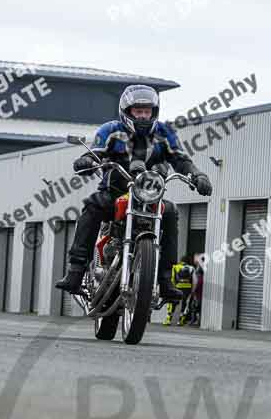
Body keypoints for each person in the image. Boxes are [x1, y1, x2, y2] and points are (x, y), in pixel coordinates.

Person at [55, 85, 213, 301]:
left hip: (149, 195)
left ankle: (165, 280)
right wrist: (88, 160)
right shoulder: (110, 130)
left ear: (154, 112)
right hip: (114, 192)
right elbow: (98, 152)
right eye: (138, 111)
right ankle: (76, 271)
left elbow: (180, 159)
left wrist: (197, 175)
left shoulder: (164, 133)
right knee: (92, 205)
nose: (143, 115)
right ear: (127, 111)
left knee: (170, 212)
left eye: (147, 111)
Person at [163, 254, 194, 326]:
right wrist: (192, 289)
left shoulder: (175, 267)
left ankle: (168, 319)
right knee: (185, 303)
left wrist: (173, 286)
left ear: (181, 260)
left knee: (172, 302)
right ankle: (181, 320)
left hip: (177, 286)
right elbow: (193, 280)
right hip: (187, 288)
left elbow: (172, 278)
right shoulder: (191, 268)